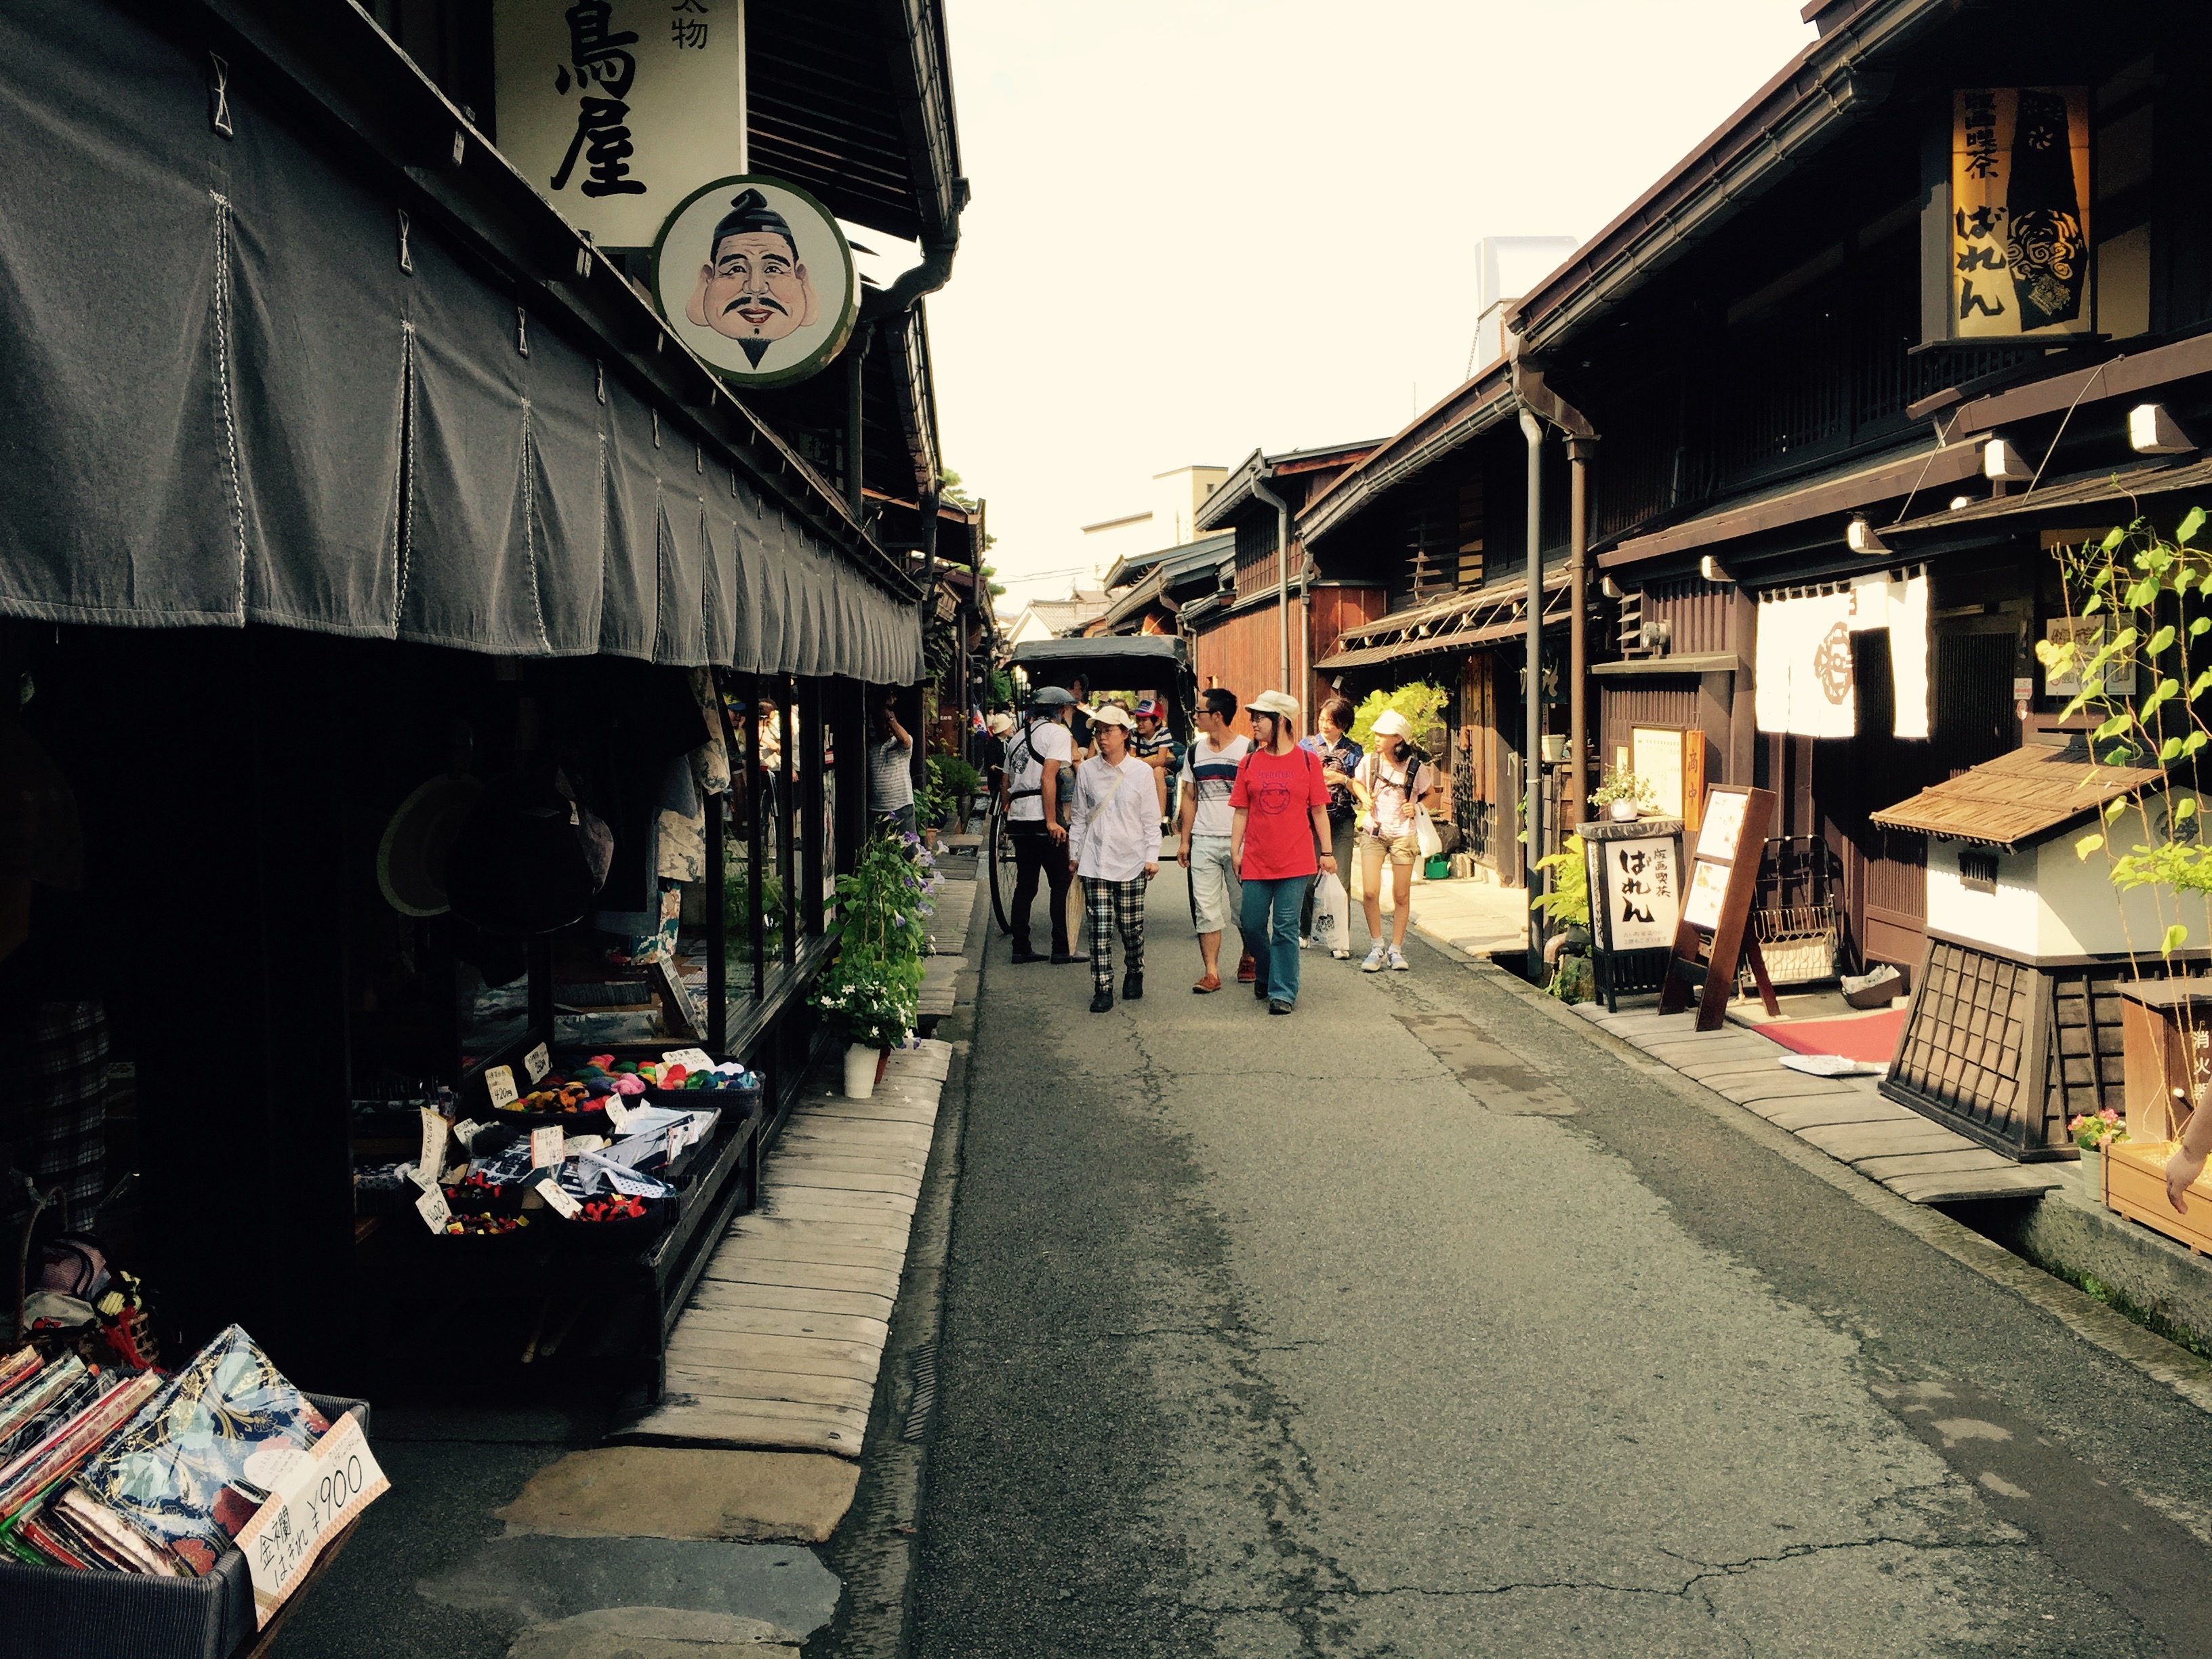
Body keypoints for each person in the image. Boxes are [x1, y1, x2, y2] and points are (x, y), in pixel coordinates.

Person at [1230, 691, 1334, 1015]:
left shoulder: (1308, 761)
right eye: (1253, 717)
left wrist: (1327, 852)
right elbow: (1241, 811)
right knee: (1251, 924)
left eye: (1260, 717)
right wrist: (1235, 850)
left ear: (1281, 721)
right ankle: (1266, 971)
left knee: (1286, 926)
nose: (1253, 723)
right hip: (1256, 858)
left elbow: (1318, 810)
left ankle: (1283, 992)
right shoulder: (1249, 762)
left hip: (1296, 859)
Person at [1067, 704, 1160, 1013]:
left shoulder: (1141, 773)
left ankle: (1135, 969)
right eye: (1098, 731)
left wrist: (1152, 856)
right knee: (1099, 928)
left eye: (1108, 731)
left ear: (1124, 734)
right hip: (1095, 860)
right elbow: (1079, 816)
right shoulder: (1087, 771)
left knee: (1131, 927)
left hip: (1132, 861)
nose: (1102, 737)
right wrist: (1074, 854)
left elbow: (1151, 820)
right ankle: (1103, 987)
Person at [1350, 708, 1439, 973]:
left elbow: (1432, 795)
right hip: (1374, 832)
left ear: (1398, 738)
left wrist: (1417, 807)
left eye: (1383, 735)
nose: (1377, 738)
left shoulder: (1415, 767)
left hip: (1403, 834)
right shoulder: (1370, 762)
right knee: (1369, 891)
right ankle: (1377, 946)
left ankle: (1396, 949)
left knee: (1401, 894)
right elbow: (1356, 783)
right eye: (1376, 734)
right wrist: (1364, 798)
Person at [1002, 688, 1086, 965]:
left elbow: (1005, 780)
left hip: (1018, 817)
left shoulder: (1016, 737)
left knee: (1026, 885)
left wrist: (1007, 811)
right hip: (1041, 815)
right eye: (1067, 710)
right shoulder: (1057, 733)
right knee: (1061, 881)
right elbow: (1048, 777)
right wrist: (1051, 820)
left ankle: (1020, 947)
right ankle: (1061, 947)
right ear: (1059, 710)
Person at [1174, 689, 1250, 993]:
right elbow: (1190, 797)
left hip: (1240, 842)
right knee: (1205, 909)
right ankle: (1211, 972)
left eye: (1199, 711)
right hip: (1204, 840)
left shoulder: (1248, 750)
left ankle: (1249, 956)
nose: (1195, 716)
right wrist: (1185, 841)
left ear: (1217, 716)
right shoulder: (1194, 751)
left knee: (1244, 909)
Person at [1298, 696, 1364, 960]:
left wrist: (1342, 779)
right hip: (1310, 821)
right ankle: (1304, 930)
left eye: (1332, 721)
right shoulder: (1305, 746)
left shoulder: (1355, 751)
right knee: (1307, 880)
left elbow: (1361, 787)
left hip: (1342, 820)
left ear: (1343, 724)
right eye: (1322, 719)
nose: (1325, 725)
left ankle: (1339, 939)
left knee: (1341, 882)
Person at [867, 692, 916, 840]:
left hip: (902, 807)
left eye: (891, 723)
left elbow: (906, 740)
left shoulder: (900, 744)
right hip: (877, 810)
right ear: (876, 724)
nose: (889, 727)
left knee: (908, 849)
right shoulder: (871, 747)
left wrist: (890, 718)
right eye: (884, 723)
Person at [1131, 699, 1174, 827]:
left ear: (1157, 722)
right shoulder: (1134, 733)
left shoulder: (1164, 733)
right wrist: (1148, 761)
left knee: (1158, 771)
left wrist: (1140, 761)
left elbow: (1161, 760)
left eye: (1144, 720)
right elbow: (1131, 758)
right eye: (1138, 720)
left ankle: (1160, 816)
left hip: (1162, 768)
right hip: (1141, 769)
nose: (1140, 724)